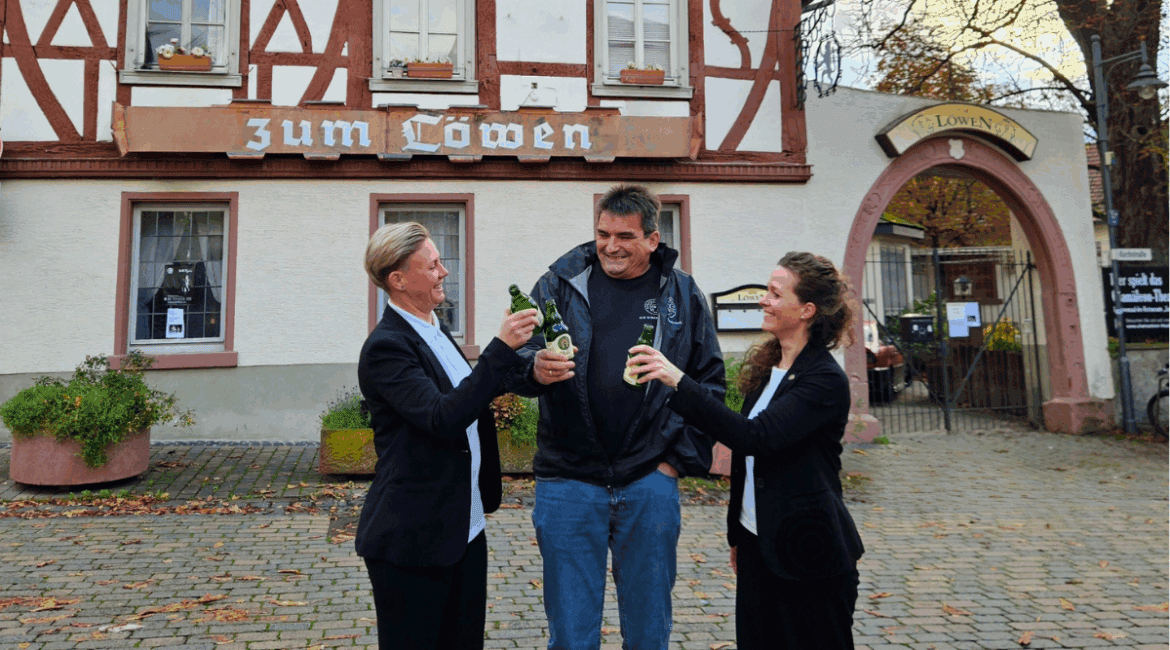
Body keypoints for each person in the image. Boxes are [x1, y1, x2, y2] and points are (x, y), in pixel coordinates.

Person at [511, 184, 725, 650]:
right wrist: (532, 369)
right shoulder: (558, 283)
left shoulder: (683, 294)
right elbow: (518, 354)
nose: (611, 246)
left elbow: (709, 384)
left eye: (625, 236)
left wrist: (675, 461)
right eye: (603, 233)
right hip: (568, 480)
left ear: (652, 238)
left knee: (649, 631)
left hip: (649, 479)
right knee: (571, 632)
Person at [628, 251, 865, 650]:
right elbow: (749, 463)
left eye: (775, 294)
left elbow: (755, 438)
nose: (764, 300)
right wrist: (740, 536)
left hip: (810, 552)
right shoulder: (772, 368)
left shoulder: (824, 380)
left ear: (806, 309)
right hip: (762, 546)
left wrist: (679, 381)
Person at [355, 222, 541, 650]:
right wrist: (500, 346)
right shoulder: (387, 347)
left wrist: (532, 371)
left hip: (463, 526)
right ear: (398, 280)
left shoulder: (434, 330)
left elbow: (472, 393)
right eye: (434, 265)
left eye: (441, 262)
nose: (444, 272)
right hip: (414, 538)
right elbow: (442, 417)